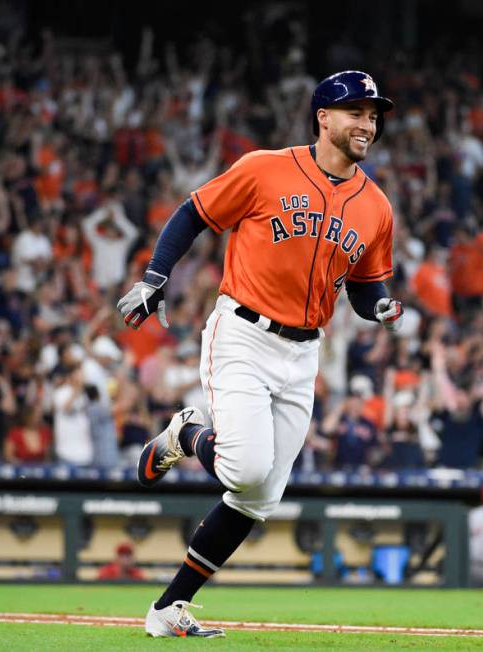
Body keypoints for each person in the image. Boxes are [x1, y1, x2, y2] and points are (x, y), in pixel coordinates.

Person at [117, 70, 402, 637]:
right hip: (243, 331)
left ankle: (168, 609)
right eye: (356, 112)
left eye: (373, 114)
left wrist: (381, 308)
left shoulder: (376, 206)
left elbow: (367, 287)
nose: (367, 123)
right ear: (324, 118)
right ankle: (186, 435)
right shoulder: (264, 167)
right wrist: (154, 276)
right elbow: (194, 212)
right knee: (245, 468)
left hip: (304, 353)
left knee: (260, 496)